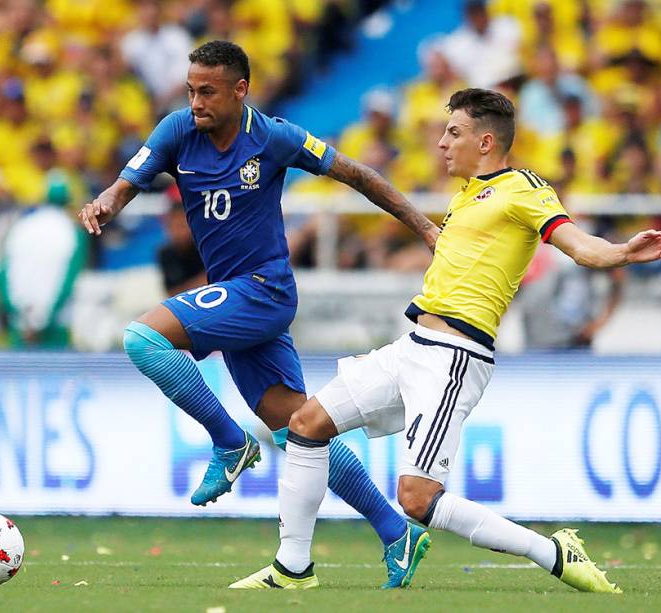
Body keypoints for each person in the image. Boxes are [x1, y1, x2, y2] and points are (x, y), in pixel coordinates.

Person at [231, 88, 661, 592]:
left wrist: (621, 252)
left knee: (417, 499)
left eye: (454, 133)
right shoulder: (468, 192)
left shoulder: (524, 189)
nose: (442, 143)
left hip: (454, 359)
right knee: (306, 424)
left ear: (486, 141)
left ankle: (552, 550)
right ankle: (292, 569)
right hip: (413, 345)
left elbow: (579, 246)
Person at [79, 40, 438, 588]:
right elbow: (130, 179)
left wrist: (426, 227)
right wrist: (106, 201)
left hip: (264, 290)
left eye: (208, 92)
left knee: (142, 339)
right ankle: (396, 531)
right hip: (234, 295)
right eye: (191, 90)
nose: (196, 102)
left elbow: (358, 175)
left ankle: (228, 441)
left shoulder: (273, 136)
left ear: (240, 89)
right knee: (301, 428)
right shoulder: (178, 131)